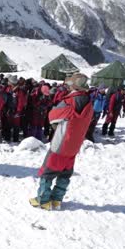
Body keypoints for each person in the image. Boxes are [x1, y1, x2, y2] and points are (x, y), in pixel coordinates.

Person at [30, 73, 93, 210]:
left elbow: (52, 117)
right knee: (65, 173)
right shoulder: (89, 103)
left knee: (48, 172)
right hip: (74, 145)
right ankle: (57, 200)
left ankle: (43, 200)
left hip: (61, 143)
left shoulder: (68, 102)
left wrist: (57, 127)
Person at [3, 76, 27, 142]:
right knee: (8, 124)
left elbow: (20, 102)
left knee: (16, 126)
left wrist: (18, 112)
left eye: (9, 81)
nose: (8, 82)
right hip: (8, 109)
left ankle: (15, 139)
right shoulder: (8, 89)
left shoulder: (19, 91)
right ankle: (7, 138)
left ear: (12, 82)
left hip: (16, 111)